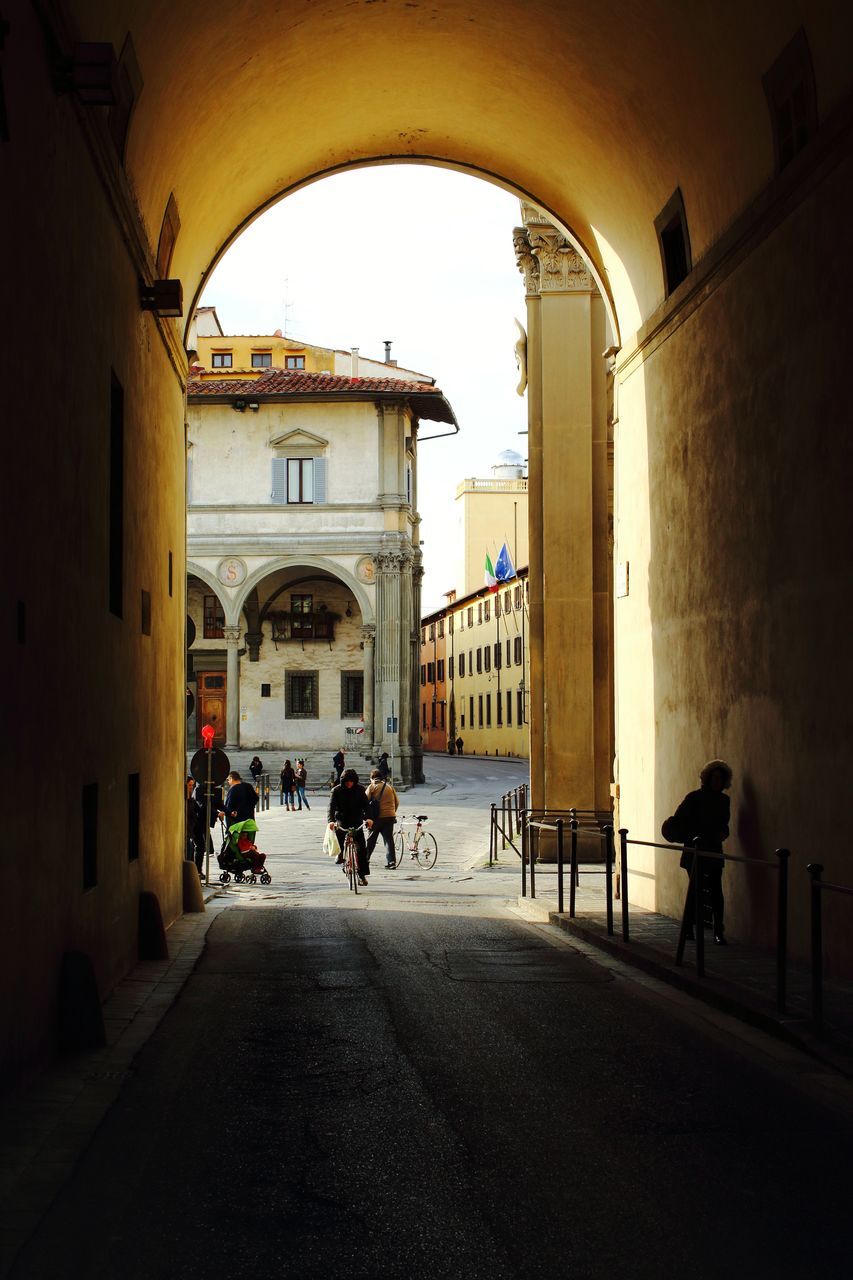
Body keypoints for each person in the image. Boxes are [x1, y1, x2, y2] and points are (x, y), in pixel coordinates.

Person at [664, 759, 732, 945]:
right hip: (695, 849)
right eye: (715, 778)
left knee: (716, 890)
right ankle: (688, 929)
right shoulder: (694, 798)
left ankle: (719, 930)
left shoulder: (724, 801)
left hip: (713, 849)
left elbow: (725, 824)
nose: (718, 782)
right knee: (696, 890)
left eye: (721, 779)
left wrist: (723, 833)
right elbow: (679, 820)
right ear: (708, 779)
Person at [327, 767, 373, 885]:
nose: (349, 784)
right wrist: (331, 821)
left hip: (356, 820)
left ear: (355, 781)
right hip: (342, 820)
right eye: (347, 781)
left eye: (351, 781)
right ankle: (340, 854)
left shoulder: (360, 790)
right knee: (340, 837)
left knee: (362, 849)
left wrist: (368, 818)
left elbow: (366, 806)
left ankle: (361, 875)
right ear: (343, 781)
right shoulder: (336, 791)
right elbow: (331, 807)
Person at [365, 768, 399, 869]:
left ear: (372, 778)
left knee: (371, 840)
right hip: (390, 817)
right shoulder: (389, 787)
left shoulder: (372, 787)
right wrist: (392, 812)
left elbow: (365, 801)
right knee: (389, 840)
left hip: (376, 818)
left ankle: (365, 859)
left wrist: (366, 816)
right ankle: (391, 861)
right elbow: (397, 802)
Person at [189, 781, 222, 877]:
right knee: (193, 848)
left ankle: (197, 871)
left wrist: (220, 813)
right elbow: (202, 806)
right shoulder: (197, 792)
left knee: (200, 847)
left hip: (197, 826)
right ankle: (194, 871)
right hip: (191, 827)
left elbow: (210, 806)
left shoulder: (191, 798)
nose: (191, 787)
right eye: (189, 785)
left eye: (192, 785)